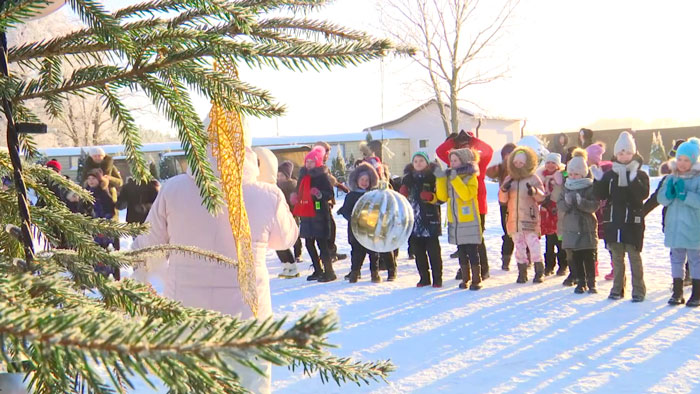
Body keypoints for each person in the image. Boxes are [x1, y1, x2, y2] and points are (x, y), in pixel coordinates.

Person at [133, 146, 298, 393]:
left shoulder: (175, 188)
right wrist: (270, 184)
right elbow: (286, 240)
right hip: (247, 321)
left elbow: (145, 246)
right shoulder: (266, 193)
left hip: (187, 320)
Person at [594, 131, 649, 302]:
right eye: (621, 153)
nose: (624, 156)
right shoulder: (610, 175)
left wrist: (632, 179)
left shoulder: (640, 174)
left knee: (634, 258)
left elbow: (642, 195)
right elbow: (601, 195)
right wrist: (598, 180)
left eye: (628, 153)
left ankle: (639, 290)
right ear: (616, 154)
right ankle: (617, 288)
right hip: (614, 222)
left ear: (634, 154)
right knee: (617, 258)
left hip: (632, 223)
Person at [436, 130, 493, 280]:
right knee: (462, 240)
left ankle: (483, 269)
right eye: (460, 144)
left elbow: (489, 150)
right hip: (458, 207)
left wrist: (473, 140)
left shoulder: (478, 161)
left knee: (476, 239)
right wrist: (453, 141)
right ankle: (465, 269)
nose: (463, 147)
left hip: (477, 203)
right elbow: (440, 151)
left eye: (466, 144)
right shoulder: (456, 162)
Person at [657, 138, 700, 306]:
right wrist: (668, 193)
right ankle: (677, 292)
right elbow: (661, 199)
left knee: (695, 260)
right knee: (676, 259)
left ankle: (696, 293)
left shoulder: (697, 178)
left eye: (686, 160)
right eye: (680, 159)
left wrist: (685, 195)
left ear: (694, 160)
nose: (682, 163)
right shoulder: (671, 177)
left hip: (693, 227)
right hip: (674, 226)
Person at [436, 148, 483, 290]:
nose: (452, 163)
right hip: (455, 220)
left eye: (455, 160)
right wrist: (440, 178)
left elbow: (466, 194)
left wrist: (455, 178)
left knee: (472, 250)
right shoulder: (451, 177)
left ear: (463, 160)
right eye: (451, 160)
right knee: (461, 251)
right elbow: (443, 197)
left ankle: (476, 278)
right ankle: (465, 278)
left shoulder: (470, 177)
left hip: (469, 220)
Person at [498, 146, 546, 284]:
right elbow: (502, 200)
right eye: (516, 163)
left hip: (529, 218)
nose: (518, 165)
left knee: (534, 245)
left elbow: (542, 197)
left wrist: (534, 191)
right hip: (514, 219)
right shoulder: (510, 178)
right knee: (519, 247)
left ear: (527, 163)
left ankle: (539, 271)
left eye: (521, 163)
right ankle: (522, 272)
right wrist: (504, 190)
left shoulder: (533, 178)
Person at [292, 146, 336, 282]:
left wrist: (319, 194)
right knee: (309, 244)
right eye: (307, 161)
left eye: (312, 161)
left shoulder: (323, 176)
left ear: (317, 162)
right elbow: (298, 190)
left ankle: (329, 272)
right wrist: (295, 196)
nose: (309, 164)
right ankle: (317, 269)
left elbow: (330, 193)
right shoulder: (302, 175)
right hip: (306, 214)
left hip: (319, 214)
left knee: (321, 243)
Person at [558, 149, 599, 294]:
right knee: (576, 258)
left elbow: (594, 205)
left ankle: (592, 282)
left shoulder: (590, 187)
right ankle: (580, 281)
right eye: (571, 174)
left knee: (589, 257)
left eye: (576, 174)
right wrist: (567, 203)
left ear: (583, 173)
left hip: (586, 228)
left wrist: (582, 202)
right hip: (571, 228)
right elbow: (560, 205)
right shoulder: (566, 187)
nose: (573, 177)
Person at [400, 152, 443, 288]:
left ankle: (437, 278)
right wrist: (403, 194)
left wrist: (432, 197)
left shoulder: (433, 177)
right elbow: (402, 201)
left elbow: (441, 198)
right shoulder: (408, 179)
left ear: (427, 163)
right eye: (416, 161)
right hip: (414, 220)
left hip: (430, 219)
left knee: (433, 252)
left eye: (421, 161)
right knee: (418, 252)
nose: (418, 163)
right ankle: (424, 277)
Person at [337, 162, 381, 283]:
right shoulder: (351, 196)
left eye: (367, 180)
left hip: (371, 228)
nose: (364, 182)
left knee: (373, 252)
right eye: (362, 179)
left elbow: (378, 209)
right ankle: (355, 272)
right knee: (356, 252)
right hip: (355, 229)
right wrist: (353, 219)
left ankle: (374, 273)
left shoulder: (373, 195)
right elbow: (346, 211)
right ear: (356, 180)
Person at [314, 141, 348, 262]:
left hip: (326, 199)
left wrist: (339, 186)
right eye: (326, 152)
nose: (327, 155)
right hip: (320, 201)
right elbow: (328, 179)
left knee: (331, 227)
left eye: (328, 152)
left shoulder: (322, 165)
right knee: (328, 227)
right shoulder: (317, 165)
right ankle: (328, 253)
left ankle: (331, 251)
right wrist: (339, 185)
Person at [486, 142, 517, 270]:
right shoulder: (501, 168)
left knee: (522, 231)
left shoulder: (522, 168)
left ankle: (527, 258)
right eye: (506, 154)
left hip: (520, 203)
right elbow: (489, 172)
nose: (508, 157)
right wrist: (502, 166)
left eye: (511, 154)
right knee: (507, 232)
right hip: (504, 203)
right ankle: (506, 260)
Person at [84, 168, 119, 279]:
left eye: (93, 178)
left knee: (106, 251)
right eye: (89, 178)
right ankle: (96, 275)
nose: (91, 181)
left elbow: (111, 210)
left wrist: (103, 221)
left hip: (103, 227)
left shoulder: (103, 192)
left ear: (99, 180)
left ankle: (109, 273)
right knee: (93, 253)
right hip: (90, 227)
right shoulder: (85, 192)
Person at [537, 152, 567, 276]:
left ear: (558, 165)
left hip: (558, 211)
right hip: (546, 211)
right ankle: (549, 265)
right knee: (549, 240)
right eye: (548, 162)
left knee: (560, 239)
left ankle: (563, 264)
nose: (550, 165)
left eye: (553, 163)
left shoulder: (561, 176)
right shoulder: (541, 177)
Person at [275, 160, 301, 278]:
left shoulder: (291, 186)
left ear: (287, 176)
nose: (279, 178)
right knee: (277, 243)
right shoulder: (276, 186)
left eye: (281, 175)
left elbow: (293, 203)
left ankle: (292, 265)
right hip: (278, 217)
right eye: (278, 175)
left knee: (286, 241)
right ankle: (286, 265)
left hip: (288, 217)